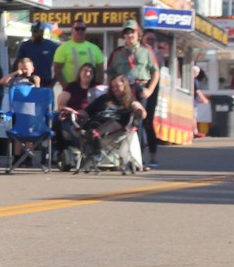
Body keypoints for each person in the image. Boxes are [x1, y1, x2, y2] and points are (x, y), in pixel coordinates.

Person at [108, 22, 160, 169]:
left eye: (132, 32)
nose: (129, 35)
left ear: (138, 34)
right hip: (124, 90)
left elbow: (155, 72)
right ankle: (122, 159)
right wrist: (112, 91)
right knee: (124, 122)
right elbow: (110, 74)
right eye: (127, 33)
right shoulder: (117, 53)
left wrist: (149, 90)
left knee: (141, 123)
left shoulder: (146, 51)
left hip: (141, 87)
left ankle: (140, 159)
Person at [51, 20, 105, 89]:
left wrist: (98, 86)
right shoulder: (63, 48)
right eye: (77, 29)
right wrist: (65, 86)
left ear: (85, 31)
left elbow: (100, 70)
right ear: (72, 30)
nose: (80, 31)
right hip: (71, 88)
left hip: (91, 88)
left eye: (83, 29)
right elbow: (57, 70)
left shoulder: (94, 48)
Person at [14, 21, 60, 87]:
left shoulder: (52, 46)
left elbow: (59, 66)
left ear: (42, 31)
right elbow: (16, 64)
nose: (33, 33)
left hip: (46, 83)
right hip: (28, 83)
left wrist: (53, 83)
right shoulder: (25, 45)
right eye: (32, 31)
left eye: (35, 31)